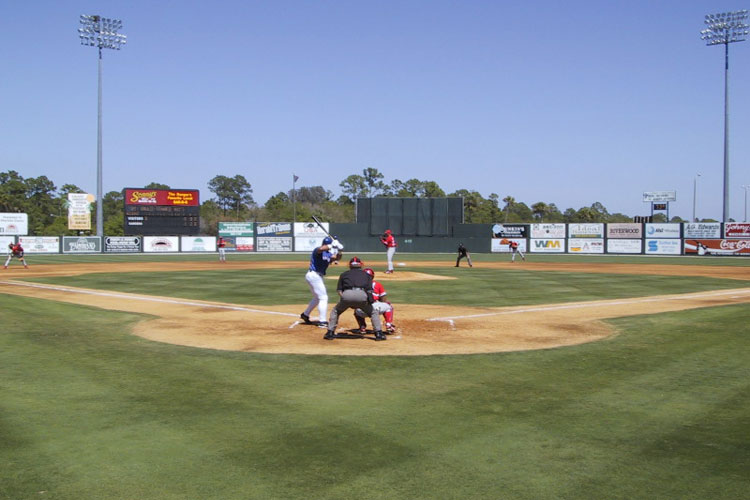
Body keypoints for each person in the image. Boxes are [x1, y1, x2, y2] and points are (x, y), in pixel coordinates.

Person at [325, 257, 385, 341]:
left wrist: (346, 300)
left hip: (347, 295)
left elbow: (339, 290)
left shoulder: (344, 274)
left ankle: (330, 332)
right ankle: (378, 333)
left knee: (336, 311)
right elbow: (369, 291)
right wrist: (369, 301)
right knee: (373, 312)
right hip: (362, 295)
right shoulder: (366, 275)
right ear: (360, 265)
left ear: (350, 265)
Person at [300, 236, 342, 328]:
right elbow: (320, 249)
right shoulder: (317, 251)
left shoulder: (328, 254)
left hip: (315, 276)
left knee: (317, 298)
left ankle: (305, 314)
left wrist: (339, 249)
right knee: (323, 297)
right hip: (314, 275)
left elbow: (337, 258)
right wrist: (331, 245)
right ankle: (322, 321)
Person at [353, 268, 395, 333]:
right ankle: (388, 325)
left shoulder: (357, 285)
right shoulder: (377, 284)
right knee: (389, 306)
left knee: (356, 310)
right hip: (375, 308)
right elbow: (383, 299)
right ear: (372, 276)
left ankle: (362, 327)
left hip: (362, 310)